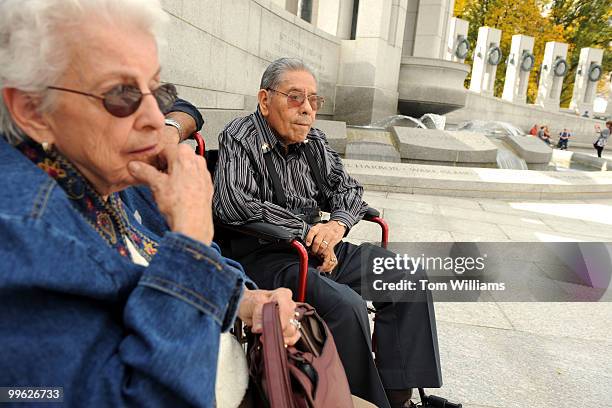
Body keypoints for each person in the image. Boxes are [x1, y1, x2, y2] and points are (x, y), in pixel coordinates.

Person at [0, 1, 300, 406]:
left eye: (160, 92)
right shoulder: (21, 233)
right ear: (31, 109)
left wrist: (245, 301)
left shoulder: (102, 173)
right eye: (120, 94)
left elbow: (153, 258)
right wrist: (193, 234)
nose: (158, 122)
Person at [212, 58, 442, 408]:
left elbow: (348, 190)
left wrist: (336, 226)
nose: (307, 109)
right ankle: (360, 402)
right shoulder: (240, 136)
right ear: (264, 100)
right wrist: (306, 231)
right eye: (294, 97)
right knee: (345, 306)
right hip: (265, 253)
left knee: (406, 276)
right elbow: (232, 203)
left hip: (319, 247)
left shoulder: (314, 142)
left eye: (313, 100)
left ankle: (399, 397)